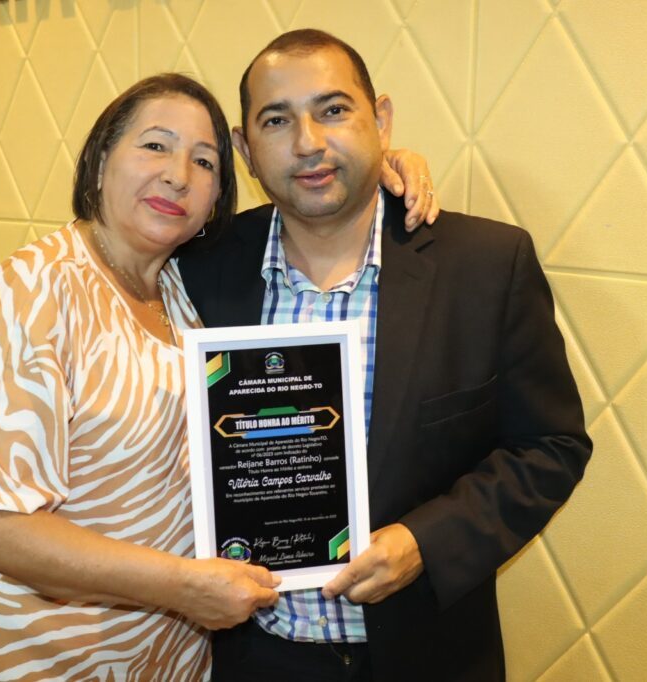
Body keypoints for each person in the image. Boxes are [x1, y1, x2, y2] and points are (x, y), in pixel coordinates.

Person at [0, 72, 437, 681]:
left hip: (174, 651)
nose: (178, 175)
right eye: (155, 146)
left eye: (204, 161)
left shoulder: (177, 283)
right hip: (55, 651)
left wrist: (378, 163)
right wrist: (180, 586)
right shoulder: (30, 294)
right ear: (100, 160)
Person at [177, 30, 592, 681]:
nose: (308, 142)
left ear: (382, 120)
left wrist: (426, 542)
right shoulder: (197, 268)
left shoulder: (485, 265)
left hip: (427, 656)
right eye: (277, 120)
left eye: (334, 110)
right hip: (253, 658)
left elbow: (550, 447)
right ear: (245, 148)